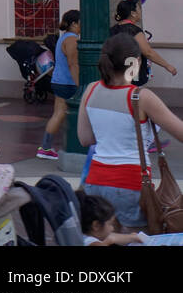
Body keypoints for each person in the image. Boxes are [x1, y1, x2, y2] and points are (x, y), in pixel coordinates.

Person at [77, 33, 183, 231]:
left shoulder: (90, 90)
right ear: (136, 62)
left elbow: (85, 139)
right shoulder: (140, 97)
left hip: (95, 181)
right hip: (130, 184)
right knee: (135, 238)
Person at [37, 10, 80, 159]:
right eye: (81, 22)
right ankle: (77, 146)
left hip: (58, 81)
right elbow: (72, 63)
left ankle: (45, 147)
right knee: (75, 113)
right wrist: (79, 84)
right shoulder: (72, 40)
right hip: (68, 83)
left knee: (58, 114)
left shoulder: (64, 38)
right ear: (74, 23)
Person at [110, 0, 177, 85]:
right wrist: (167, 65)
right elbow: (148, 52)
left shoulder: (112, 30)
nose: (140, 11)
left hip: (116, 75)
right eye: (138, 9)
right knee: (134, 98)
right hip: (132, 77)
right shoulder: (134, 30)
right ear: (133, 13)